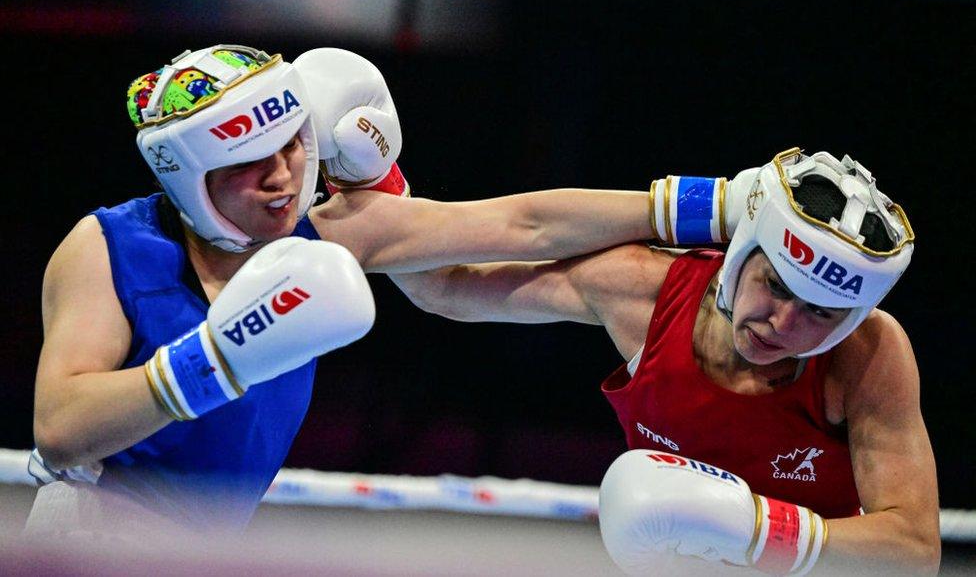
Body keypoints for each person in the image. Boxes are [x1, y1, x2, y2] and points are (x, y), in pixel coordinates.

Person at [27, 44, 662, 540]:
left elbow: (526, 224)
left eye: (291, 146)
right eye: (249, 162)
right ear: (191, 177)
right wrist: (220, 358)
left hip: (208, 547)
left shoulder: (332, 230)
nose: (280, 177)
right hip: (89, 536)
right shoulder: (109, 248)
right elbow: (60, 428)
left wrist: (713, 206)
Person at [392, 149, 940, 574]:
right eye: (774, 285)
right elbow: (443, 288)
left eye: (819, 312)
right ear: (742, 250)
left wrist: (754, 531)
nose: (784, 323)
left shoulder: (868, 355)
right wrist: (371, 174)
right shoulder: (643, 292)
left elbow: (915, 550)